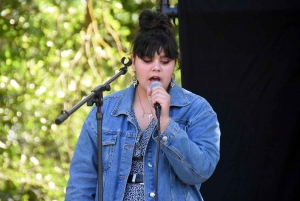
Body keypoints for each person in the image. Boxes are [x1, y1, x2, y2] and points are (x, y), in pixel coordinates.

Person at [65, 9, 220, 201]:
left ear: (175, 64)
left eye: (165, 61)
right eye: (147, 60)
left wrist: (166, 124)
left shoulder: (197, 110)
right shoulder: (105, 111)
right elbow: (81, 184)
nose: (156, 67)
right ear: (133, 61)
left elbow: (200, 171)